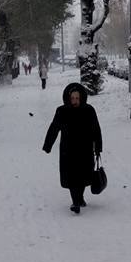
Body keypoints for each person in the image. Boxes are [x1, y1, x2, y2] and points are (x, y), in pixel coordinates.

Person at [42, 82, 103, 214]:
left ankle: (80, 199)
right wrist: (48, 145)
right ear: (68, 98)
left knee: (82, 175)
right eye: (72, 98)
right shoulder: (62, 111)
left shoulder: (89, 110)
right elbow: (54, 128)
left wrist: (98, 147)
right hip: (68, 150)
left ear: (82, 98)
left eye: (77, 98)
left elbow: (96, 130)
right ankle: (76, 201)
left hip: (85, 150)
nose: (75, 101)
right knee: (71, 177)